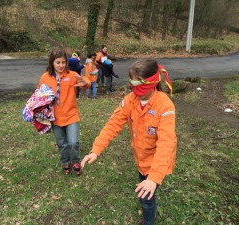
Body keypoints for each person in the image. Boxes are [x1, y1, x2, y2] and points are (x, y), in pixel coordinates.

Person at [81, 59, 177, 224]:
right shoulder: (130, 100)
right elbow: (113, 125)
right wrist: (96, 150)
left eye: (139, 84)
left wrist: (153, 178)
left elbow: (166, 144)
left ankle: (149, 221)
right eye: (132, 83)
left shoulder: (165, 106)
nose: (136, 91)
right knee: (144, 191)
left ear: (152, 82)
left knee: (147, 199)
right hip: (140, 159)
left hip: (156, 163)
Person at [37, 48, 90, 175]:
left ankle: (76, 161)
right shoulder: (45, 77)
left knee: (73, 142)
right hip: (55, 118)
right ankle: (65, 162)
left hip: (71, 115)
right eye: (58, 63)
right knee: (62, 143)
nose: (61, 65)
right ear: (52, 63)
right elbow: (39, 94)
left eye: (63, 62)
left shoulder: (71, 75)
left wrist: (85, 83)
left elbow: (85, 82)